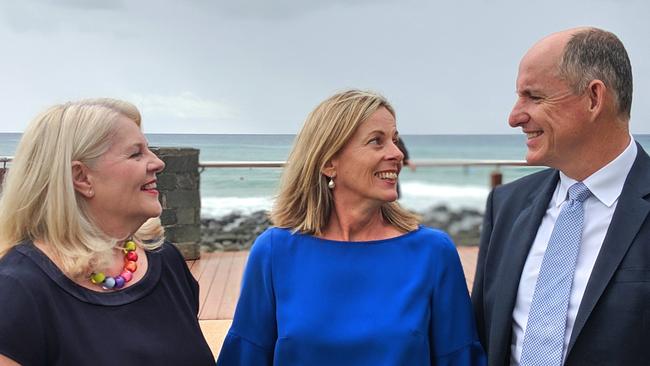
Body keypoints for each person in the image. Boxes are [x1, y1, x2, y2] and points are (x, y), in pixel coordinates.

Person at [217, 89, 486, 365]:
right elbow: (244, 357)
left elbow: (460, 358)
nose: (397, 153)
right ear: (328, 163)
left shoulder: (433, 253)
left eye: (394, 140)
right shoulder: (274, 251)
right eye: (376, 142)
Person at [472, 27, 649, 366]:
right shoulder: (505, 206)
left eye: (534, 97)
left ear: (594, 98)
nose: (514, 117)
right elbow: (483, 335)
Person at [0, 99, 215, 365]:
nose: (158, 163)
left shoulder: (166, 262)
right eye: (136, 154)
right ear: (81, 177)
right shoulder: (17, 290)